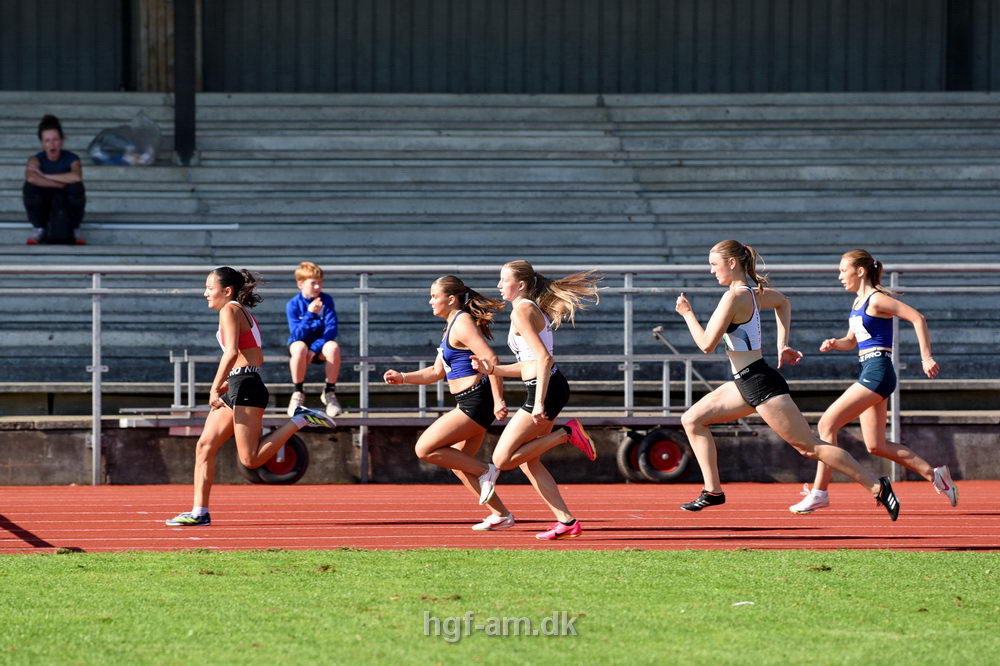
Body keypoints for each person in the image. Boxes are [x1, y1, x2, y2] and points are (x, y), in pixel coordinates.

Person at [673, 240, 901, 521]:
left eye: (713, 264)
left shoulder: (735, 297)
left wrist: (687, 315)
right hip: (744, 381)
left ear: (732, 263)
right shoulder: (752, 294)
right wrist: (782, 344)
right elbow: (783, 302)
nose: (711, 271)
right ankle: (713, 491)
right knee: (692, 420)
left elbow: (706, 344)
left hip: (759, 383)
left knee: (810, 447)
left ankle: (878, 487)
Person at [789, 249, 957, 514]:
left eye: (843, 270)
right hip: (870, 369)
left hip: (878, 371)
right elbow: (852, 341)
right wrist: (836, 343)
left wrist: (926, 358)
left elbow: (917, 318)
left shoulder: (877, 299)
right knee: (876, 445)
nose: (839, 276)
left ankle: (820, 492)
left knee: (826, 424)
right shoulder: (858, 303)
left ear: (860, 271)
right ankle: (935, 475)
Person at [166, 267, 335, 527]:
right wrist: (228, 383)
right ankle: (199, 512)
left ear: (227, 291)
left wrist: (215, 386)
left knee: (251, 460)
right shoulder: (240, 311)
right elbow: (255, 356)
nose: (205, 293)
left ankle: (300, 420)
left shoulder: (230, 310)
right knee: (204, 446)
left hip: (245, 386)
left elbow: (232, 351)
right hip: (239, 384)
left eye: (209, 288)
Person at [472, 260, 601, 540]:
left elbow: (544, 359)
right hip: (546, 386)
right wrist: (491, 370)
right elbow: (528, 364)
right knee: (529, 461)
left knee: (501, 459)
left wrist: (539, 402)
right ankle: (566, 521)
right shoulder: (525, 309)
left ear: (520, 285)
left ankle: (567, 434)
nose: (498, 285)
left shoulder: (523, 310)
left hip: (546, 389)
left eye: (502, 280)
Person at [383, 275, 515, 531]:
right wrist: (402, 378)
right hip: (470, 401)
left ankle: (487, 469)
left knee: (425, 448)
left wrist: (499, 399)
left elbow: (491, 359)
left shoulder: (462, 322)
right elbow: (435, 373)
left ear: (451, 299)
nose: (430, 301)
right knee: (459, 463)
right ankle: (501, 514)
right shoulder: (451, 325)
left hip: (476, 401)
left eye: (434, 296)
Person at [285, 262, 342, 418]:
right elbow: (296, 335)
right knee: (298, 347)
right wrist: (310, 313)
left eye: (320, 282)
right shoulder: (293, 305)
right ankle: (298, 393)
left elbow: (331, 329)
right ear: (300, 284)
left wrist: (315, 348)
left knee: (333, 347)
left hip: (320, 346)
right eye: (313, 283)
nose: (318, 287)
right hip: (301, 347)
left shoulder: (326, 300)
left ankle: (329, 393)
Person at [22, 114, 86, 245]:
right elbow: (31, 178)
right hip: (45, 205)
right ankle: (39, 228)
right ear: (42, 143)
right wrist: (59, 184)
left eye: (55, 139)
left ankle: (75, 228)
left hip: (66, 205)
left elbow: (76, 176)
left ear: (61, 140)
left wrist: (45, 176)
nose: (52, 144)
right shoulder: (35, 159)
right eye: (47, 140)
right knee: (29, 187)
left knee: (76, 186)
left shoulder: (71, 158)